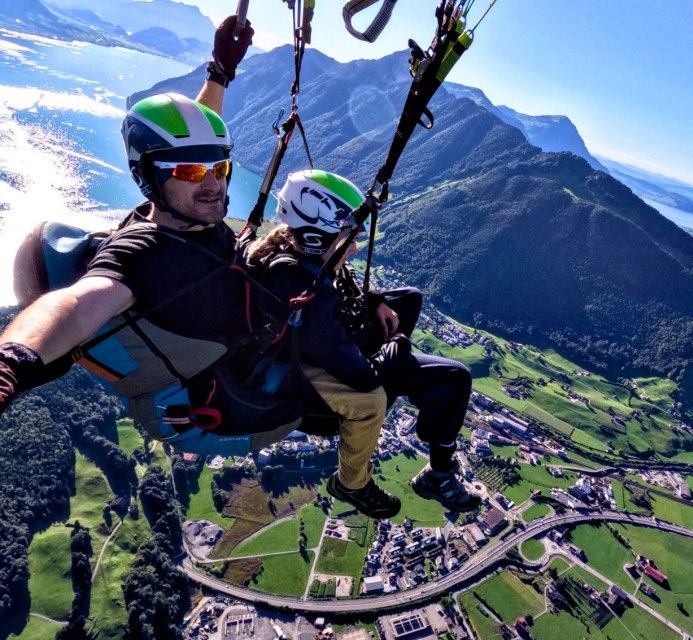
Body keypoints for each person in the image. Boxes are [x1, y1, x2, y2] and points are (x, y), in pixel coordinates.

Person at [0, 17, 281, 442]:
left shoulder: (182, 206)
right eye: (190, 171)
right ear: (151, 178)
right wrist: (13, 360)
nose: (214, 185)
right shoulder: (141, 250)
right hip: (237, 382)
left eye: (221, 167)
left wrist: (219, 72)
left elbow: (191, 139)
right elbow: (77, 305)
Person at [244, 169, 483, 519]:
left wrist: (373, 300)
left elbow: (339, 288)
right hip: (320, 373)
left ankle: (408, 392)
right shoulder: (301, 290)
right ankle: (371, 481)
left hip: (328, 342)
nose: (354, 249)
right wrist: (398, 343)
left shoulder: (304, 254)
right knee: (452, 379)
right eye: (347, 239)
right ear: (314, 236)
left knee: (409, 299)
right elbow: (365, 377)